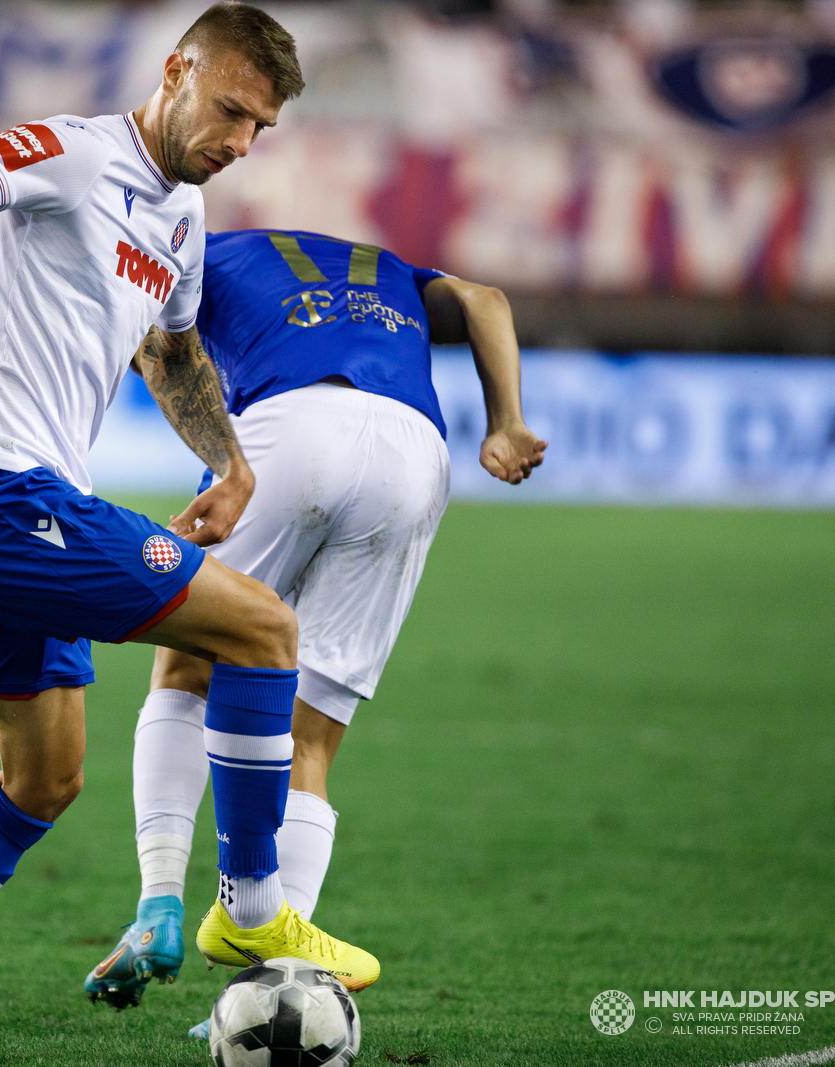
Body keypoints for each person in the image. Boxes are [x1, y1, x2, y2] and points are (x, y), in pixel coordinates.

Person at [0, 6, 378, 1050]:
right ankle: (251, 913)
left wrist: (234, 465)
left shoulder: (181, 219)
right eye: (230, 111)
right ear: (177, 71)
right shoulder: (74, 153)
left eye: (260, 130)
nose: (238, 144)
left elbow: (171, 356)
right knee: (260, 630)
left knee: (44, 777)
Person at [78, 230, 546, 1028]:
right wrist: (506, 421)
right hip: (412, 452)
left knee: (188, 669)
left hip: (289, 425)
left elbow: (133, 334)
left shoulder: (199, 250)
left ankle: (158, 904)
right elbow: (486, 301)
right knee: (312, 736)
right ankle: (273, 982)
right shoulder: (390, 270)